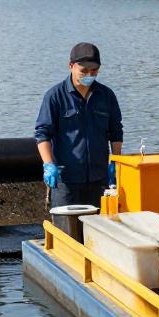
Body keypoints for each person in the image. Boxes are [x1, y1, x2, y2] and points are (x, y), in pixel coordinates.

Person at [35, 42, 123, 208]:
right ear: (71, 66)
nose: (89, 74)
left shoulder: (107, 96)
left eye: (94, 70)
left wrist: (115, 162)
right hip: (66, 182)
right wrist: (48, 164)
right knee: (66, 232)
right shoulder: (55, 96)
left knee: (99, 230)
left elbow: (116, 131)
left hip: (99, 180)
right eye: (84, 70)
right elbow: (42, 134)